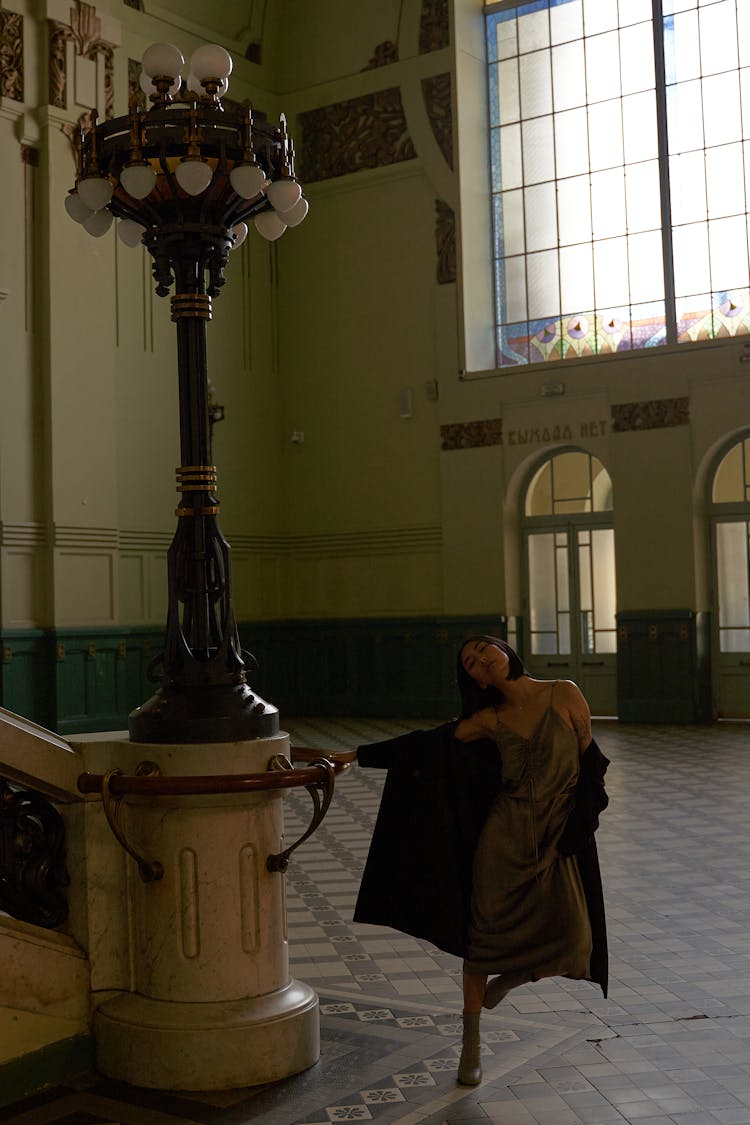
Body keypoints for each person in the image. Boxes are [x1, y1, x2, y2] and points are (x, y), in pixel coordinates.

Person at [308, 635, 609, 1088]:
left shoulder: (563, 692)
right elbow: (428, 745)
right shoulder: (488, 719)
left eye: (483, 650)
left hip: (557, 835)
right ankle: (470, 1044)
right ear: (470, 678)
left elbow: (590, 762)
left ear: (506, 650)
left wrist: (582, 823)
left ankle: (513, 977)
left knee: (577, 941)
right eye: (469, 662)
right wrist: (356, 755)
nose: (479, 660)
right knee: (481, 942)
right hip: (503, 839)